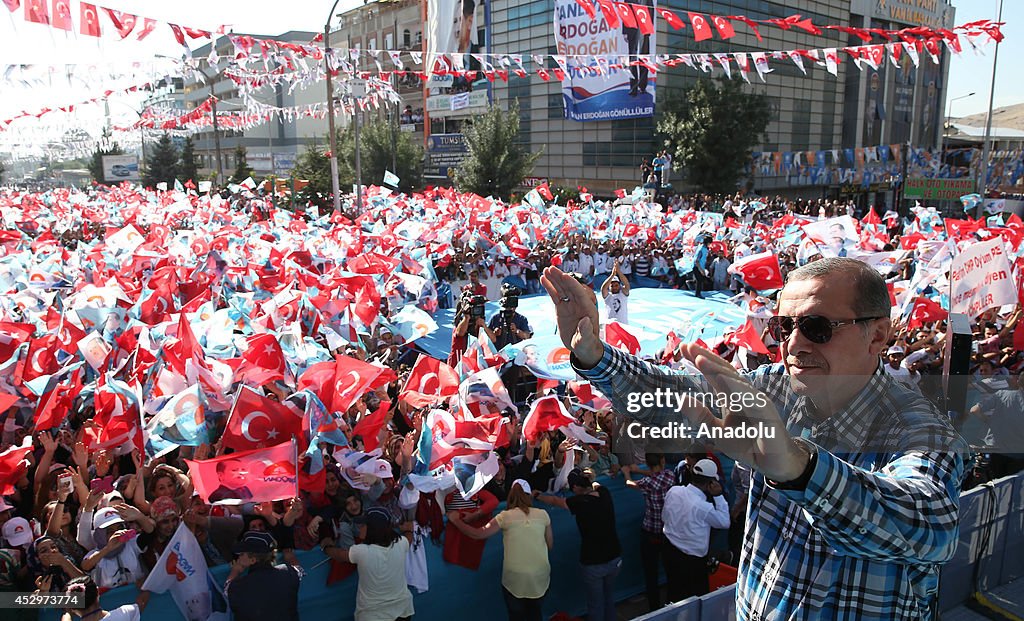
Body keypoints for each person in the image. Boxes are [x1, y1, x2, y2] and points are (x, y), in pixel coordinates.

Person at [540, 257, 966, 620]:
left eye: (817, 327)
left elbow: (930, 527)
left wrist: (800, 471)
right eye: (784, 326)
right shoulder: (775, 387)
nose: (794, 344)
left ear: (877, 335)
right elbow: (679, 397)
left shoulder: (919, 427)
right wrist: (593, 355)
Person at [449, 479, 552, 621]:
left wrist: (456, 520)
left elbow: (477, 534)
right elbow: (550, 545)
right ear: (528, 496)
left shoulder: (504, 517)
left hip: (514, 579)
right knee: (535, 615)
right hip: (540, 576)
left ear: (511, 496)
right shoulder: (543, 514)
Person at [536, 470, 621, 621]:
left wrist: (537, 496)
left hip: (593, 562)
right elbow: (597, 485)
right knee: (608, 599)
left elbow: (556, 501)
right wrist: (593, 479)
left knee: (595, 605)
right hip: (614, 557)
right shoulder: (604, 492)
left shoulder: (579, 502)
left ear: (575, 487)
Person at [322, 507, 415, 621]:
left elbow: (340, 555)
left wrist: (326, 547)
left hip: (374, 615)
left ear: (373, 529)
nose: (360, 527)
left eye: (364, 525)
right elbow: (409, 537)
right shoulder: (401, 543)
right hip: (403, 611)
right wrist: (409, 530)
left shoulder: (362, 551)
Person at [662, 459, 730, 601]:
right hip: (692, 561)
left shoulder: (674, 491)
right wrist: (718, 496)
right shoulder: (703, 507)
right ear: (710, 483)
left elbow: (664, 517)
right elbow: (724, 522)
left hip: (670, 550)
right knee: (693, 599)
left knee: (673, 593)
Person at [621, 453, 675, 612]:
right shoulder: (669, 476)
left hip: (650, 532)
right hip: (667, 532)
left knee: (650, 573)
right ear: (663, 460)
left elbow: (630, 483)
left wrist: (627, 472)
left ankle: (654, 608)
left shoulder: (648, 483)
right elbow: (656, 475)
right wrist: (640, 470)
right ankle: (671, 604)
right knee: (670, 568)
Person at [225, 531, 302, 621]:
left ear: (253, 560)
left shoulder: (237, 587)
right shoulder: (288, 574)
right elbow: (299, 571)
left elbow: (227, 591)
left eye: (242, 554)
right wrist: (291, 558)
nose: (239, 557)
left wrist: (235, 571)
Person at [57, 575, 145, 621]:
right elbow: (142, 601)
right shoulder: (124, 613)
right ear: (98, 592)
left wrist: (67, 613)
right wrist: (145, 587)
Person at [600, 260, 630, 325]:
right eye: (612, 286)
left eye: (616, 285)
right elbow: (603, 289)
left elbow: (627, 284)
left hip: (623, 325)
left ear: (619, 285)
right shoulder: (608, 297)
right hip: (611, 326)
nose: (614, 287)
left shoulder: (623, 294)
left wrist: (618, 271)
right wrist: (612, 275)